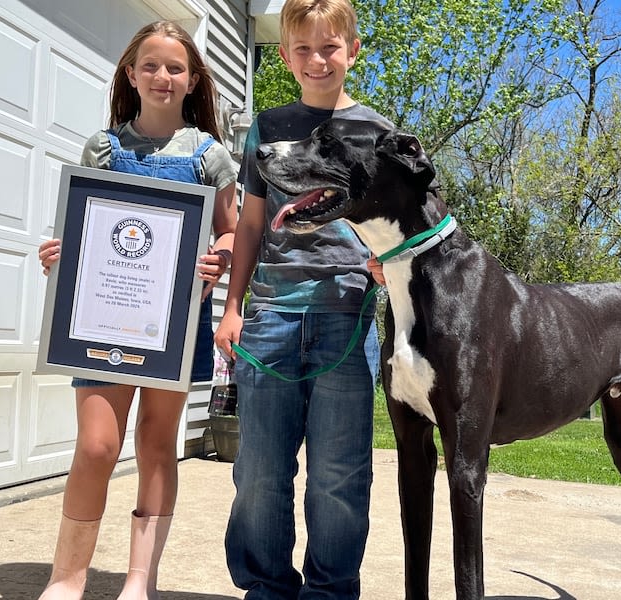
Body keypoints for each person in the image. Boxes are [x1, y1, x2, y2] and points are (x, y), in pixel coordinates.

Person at [36, 20, 238, 600]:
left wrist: (217, 260)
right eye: (150, 65)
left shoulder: (210, 155)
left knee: (155, 444)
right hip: (99, 320)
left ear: (193, 79)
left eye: (175, 67)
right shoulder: (103, 148)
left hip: (174, 323)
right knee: (96, 446)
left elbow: (231, 234)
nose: (162, 76)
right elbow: (82, 227)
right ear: (131, 73)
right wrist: (59, 253)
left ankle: (139, 581)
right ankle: (67, 578)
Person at [212, 0, 389, 598]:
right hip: (272, 318)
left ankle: (330, 592)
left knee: (339, 476)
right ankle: (266, 588)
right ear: (285, 56)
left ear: (352, 50)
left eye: (330, 47)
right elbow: (252, 228)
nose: (318, 60)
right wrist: (234, 310)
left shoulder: (376, 132)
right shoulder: (269, 127)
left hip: (348, 316)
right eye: (305, 49)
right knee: (260, 472)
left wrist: (387, 264)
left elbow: (399, 225)